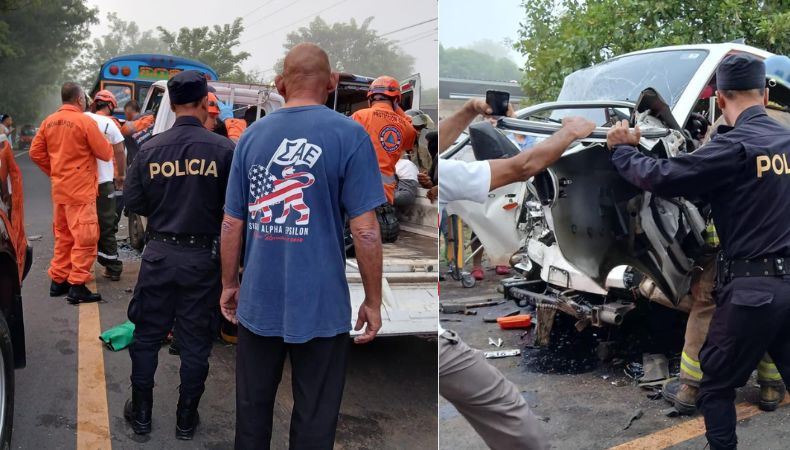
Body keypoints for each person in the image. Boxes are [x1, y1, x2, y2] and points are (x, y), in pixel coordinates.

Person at [606, 53, 790, 450]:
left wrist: (622, 150)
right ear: (765, 94)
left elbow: (662, 177)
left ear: (720, 99)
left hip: (752, 292)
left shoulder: (732, 147)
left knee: (716, 385)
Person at [219, 43, 384, 449]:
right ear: (331, 83)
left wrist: (229, 284)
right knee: (316, 417)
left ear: (278, 85)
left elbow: (230, 222)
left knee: (252, 410)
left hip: (259, 301)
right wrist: (373, 301)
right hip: (323, 305)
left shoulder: (251, 137)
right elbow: (365, 231)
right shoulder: (350, 135)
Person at [439, 97, 596, 449]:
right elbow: (523, 166)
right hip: (437, 340)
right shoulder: (447, 174)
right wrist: (569, 131)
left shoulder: (430, 167)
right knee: (507, 411)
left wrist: (467, 111)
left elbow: (436, 145)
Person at [122, 70, 235, 440]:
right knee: (195, 341)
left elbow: (134, 202)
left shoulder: (150, 148)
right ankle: (186, 420)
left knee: (147, 336)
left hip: (158, 255)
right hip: (203, 259)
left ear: (170, 104)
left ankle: (141, 416)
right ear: (205, 103)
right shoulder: (224, 150)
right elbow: (234, 210)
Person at [29, 82, 113, 303]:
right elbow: (105, 153)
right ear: (79, 100)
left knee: (64, 237)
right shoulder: (84, 121)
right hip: (80, 190)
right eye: (84, 99)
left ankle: (58, 281)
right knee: (85, 237)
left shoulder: (48, 122)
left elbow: (35, 152)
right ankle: (77, 285)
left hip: (60, 189)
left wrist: (55, 171)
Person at [87, 90, 126, 281]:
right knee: (107, 225)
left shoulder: (80, 119)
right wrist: (121, 176)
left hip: (79, 183)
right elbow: (120, 152)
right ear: (110, 105)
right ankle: (113, 267)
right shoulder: (110, 123)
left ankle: (79, 267)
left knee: (80, 225)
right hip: (103, 182)